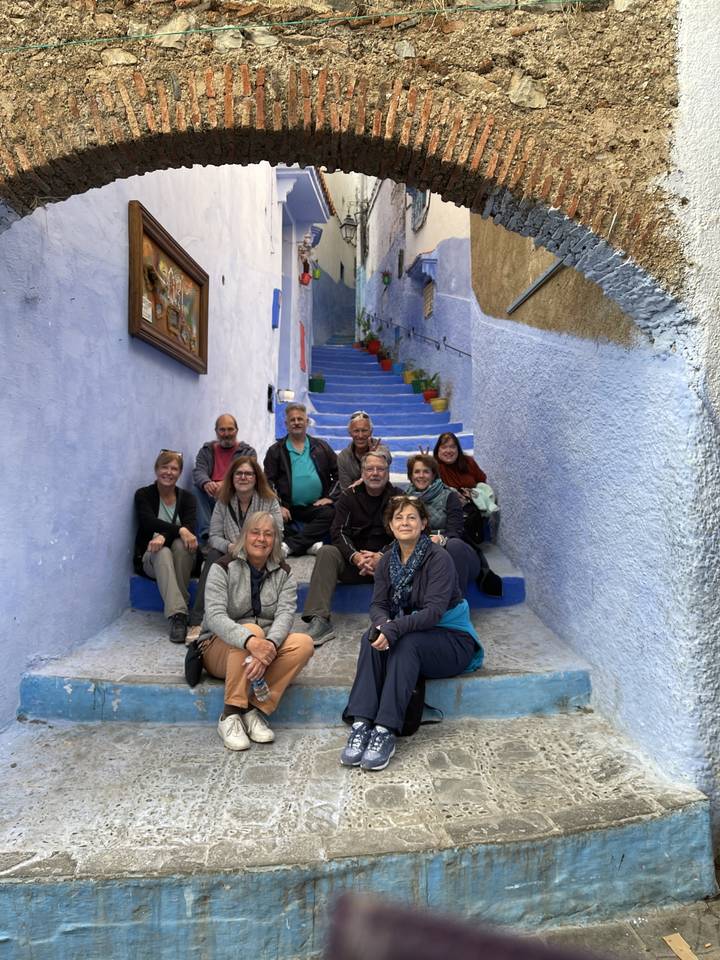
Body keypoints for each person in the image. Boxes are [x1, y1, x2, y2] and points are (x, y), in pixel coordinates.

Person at [341, 495, 483, 772]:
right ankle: (361, 722)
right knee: (371, 636)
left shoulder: (439, 558)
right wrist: (383, 626)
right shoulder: (386, 562)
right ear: (390, 526)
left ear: (424, 524)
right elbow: (378, 605)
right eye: (398, 518)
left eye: (411, 517)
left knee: (407, 645)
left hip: (451, 640)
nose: (404, 522)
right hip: (410, 632)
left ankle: (385, 729)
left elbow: (433, 612)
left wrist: (392, 628)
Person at [199, 511, 314, 751]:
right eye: (255, 532)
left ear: (274, 540)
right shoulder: (223, 567)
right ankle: (230, 714)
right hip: (218, 648)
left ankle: (252, 709)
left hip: (262, 649)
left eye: (268, 534)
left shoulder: (284, 573)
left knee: (303, 644)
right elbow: (215, 616)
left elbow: (285, 615)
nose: (261, 539)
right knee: (250, 630)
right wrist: (251, 640)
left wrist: (269, 645)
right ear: (244, 536)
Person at [300, 452, 402, 646]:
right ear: (362, 472)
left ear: (388, 472)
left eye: (380, 469)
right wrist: (355, 557)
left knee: (408, 550)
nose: (375, 473)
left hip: (387, 567)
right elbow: (338, 532)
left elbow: (405, 535)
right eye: (369, 469)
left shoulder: (398, 497)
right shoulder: (349, 496)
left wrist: (382, 556)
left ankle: (401, 617)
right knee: (327, 552)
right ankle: (319, 620)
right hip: (354, 564)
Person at [187, 456, 284, 639]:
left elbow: (278, 533)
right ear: (232, 477)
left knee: (279, 560)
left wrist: (254, 546)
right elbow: (214, 535)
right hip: (231, 551)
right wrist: (231, 546)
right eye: (239, 473)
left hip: (261, 551)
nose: (243, 477)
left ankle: (268, 620)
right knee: (214, 556)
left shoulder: (269, 501)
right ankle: (197, 621)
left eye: (248, 474)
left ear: (256, 478)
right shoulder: (223, 501)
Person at [134, 450, 198, 643]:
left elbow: (189, 531)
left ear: (179, 473)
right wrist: (179, 530)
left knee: (181, 545)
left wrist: (165, 535)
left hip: (182, 558)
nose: (169, 472)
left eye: (174, 468)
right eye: (164, 467)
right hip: (151, 560)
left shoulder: (187, 499)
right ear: (156, 469)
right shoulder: (143, 494)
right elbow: (148, 522)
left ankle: (178, 614)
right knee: (161, 551)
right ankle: (179, 614)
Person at [264, 403, 339, 557]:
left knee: (331, 513)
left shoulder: (321, 447)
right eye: (292, 420)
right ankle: (309, 544)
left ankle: (290, 545)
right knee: (270, 518)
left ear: (307, 422)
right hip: (287, 508)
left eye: (300, 419)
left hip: (315, 506)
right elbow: (267, 482)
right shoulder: (275, 451)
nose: (296, 422)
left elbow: (338, 474)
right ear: (286, 424)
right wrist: (278, 505)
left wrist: (329, 498)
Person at [405, 454, 480, 592]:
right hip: (422, 553)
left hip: (453, 550)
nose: (421, 475)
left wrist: (440, 538)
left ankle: (457, 605)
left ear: (433, 474)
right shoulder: (404, 498)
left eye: (426, 471)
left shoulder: (449, 495)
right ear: (410, 475)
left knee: (454, 544)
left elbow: (456, 529)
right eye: (417, 471)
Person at [192, 414, 257, 545]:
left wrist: (226, 484)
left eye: (230, 429)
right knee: (196, 489)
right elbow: (199, 471)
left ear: (236, 431)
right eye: (222, 430)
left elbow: (250, 475)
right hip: (211, 493)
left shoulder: (248, 452)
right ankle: (207, 534)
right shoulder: (206, 451)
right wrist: (206, 483)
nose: (226, 434)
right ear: (216, 431)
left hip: (235, 494)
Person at [337, 410, 392, 491]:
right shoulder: (343, 457)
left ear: (371, 432)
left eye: (364, 430)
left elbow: (387, 457)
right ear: (350, 433)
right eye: (356, 431)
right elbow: (346, 490)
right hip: (354, 499)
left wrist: (374, 455)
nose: (360, 435)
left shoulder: (380, 448)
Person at [433, 432, 487, 498]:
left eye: (452, 447)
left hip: (473, 502)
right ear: (438, 450)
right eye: (444, 447)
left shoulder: (468, 461)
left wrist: (473, 493)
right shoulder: (433, 466)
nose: (448, 451)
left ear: (458, 449)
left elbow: (482, 481)